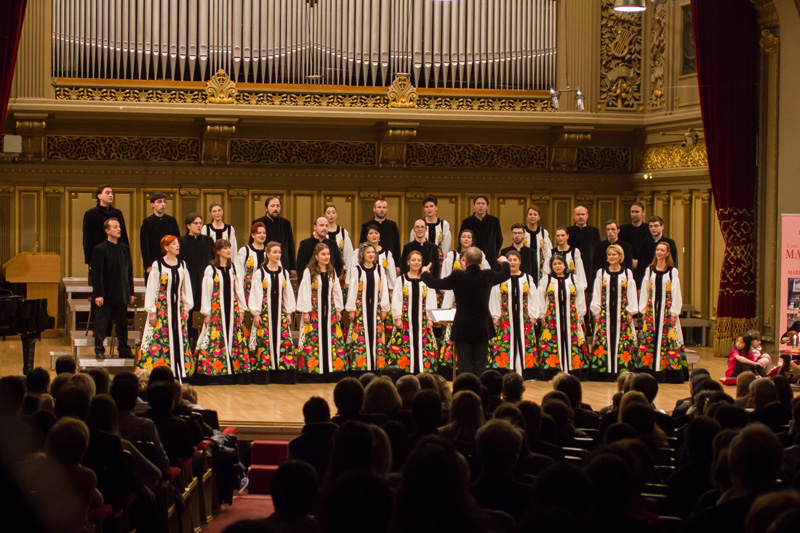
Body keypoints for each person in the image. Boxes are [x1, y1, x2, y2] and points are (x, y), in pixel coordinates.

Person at [422, 247, 510, 376]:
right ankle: (479, 392)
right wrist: (505, 262)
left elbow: (434, 283)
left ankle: (466, 390)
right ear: (481, 260)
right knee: (480, 364)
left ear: (466, 261)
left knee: (464, 364)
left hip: (463, 326)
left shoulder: (458, 275)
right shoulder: (487, 275)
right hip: (482, 326)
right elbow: (505, 274)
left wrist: (425, 273)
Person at [137, 235, 194, 381]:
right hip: (162, 309)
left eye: (177, 244)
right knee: (160, 339)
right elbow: (152, 288)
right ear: (166, 247)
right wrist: (151, 311)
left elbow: (186, 287)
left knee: (179, 338)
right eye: (173, 244)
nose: (177, 246)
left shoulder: (182, 264)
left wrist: (186, 307)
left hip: (178, 309)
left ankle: (179, 371)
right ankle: (160, 371)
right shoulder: (158, 265)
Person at [195, 239, 250, 382]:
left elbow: (238, 289)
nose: (228, 250)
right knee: (215, 338)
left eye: (229, 248)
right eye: (225, 248)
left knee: (234, 337)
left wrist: (242, 309)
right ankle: (215, 371)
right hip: (216, 310)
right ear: (218, 251)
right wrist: (207, 312)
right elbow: (206, 291)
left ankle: (233, 370)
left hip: (232, 309)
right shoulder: (210, 269)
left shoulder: (234, 268)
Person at [637, 241, 687, 383]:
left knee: (668, 339)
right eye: (657, 250)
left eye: (662, 250)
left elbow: (676, 292)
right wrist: (644, 310)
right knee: (650, 338)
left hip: (666, 310)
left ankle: (668, 372)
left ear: (667, 253)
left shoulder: (672, 271)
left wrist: (674, 313)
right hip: (652, 310)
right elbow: (645, 290)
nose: (659, 252)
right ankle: (649, 370)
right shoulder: (649, 270)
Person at [296, 242, 347, 381]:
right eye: (323, 254)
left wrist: (338, 309)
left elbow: (336, 291)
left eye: (328, 254)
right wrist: (305, 311)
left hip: (329, 313)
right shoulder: (309, 272)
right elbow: (304, 291)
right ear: (316, 256)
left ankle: (329, 370)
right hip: (314, 312)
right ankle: (312, 372)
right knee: (312, 339)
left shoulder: (331, 271)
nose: (326, 257)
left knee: (331, 340)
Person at [249, 241, 297, 384]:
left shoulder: (284, 272)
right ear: (268, 254)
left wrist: (288, 312)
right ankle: (265, 374)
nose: (277, 255)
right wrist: (256, 313)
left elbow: (287, 293)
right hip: (265, 313)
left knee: (282, 342)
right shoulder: (260, 273)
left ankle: (281, 373)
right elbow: (256, 293)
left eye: (279, 252)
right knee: (265, 342)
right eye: (274, 252)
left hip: (280, 314)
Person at [589, 244, 639, 380]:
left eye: (614, 254)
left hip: (621, 314)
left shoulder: (627, 273)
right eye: (609, 254)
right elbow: (597, 291)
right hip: (605, 313)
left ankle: (621, 370)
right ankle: (603, 371)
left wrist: (630, 311)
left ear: (620, 256)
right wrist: (597, 311)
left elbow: (631, 293)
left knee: (623, 340)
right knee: (603, 340)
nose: (611, 257)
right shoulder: (601, 273)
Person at [489, 250, 539, 379]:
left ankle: (525, 371)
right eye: (509, 260)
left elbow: (533, 297)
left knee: (524, 342)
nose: (512, 262)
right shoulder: (500, 278)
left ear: (520, 262)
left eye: (515, 260)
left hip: (524, 317)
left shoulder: (527, 278)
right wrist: (495, 315)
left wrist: (533, 315)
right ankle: (505, 371)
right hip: (505, 318)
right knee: (505, 342)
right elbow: (495, 297)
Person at [537, 253, 588, 380]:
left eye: (560, 263)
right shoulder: (546, 280)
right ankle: (553, 372)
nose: (557, 266)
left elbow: (580, 297)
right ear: (551, 266)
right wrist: (542, 315)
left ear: (564, 264)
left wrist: (580, 314)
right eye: (554, 264)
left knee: (573, 343)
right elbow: (540, 298)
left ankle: (573, 371)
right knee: (552, 343)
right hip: (552, 318)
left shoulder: (574, 279)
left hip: (571, 317)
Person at [91, 218, 135, 360]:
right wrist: (98, 294)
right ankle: (99, 349)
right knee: (102, 324)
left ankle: (123, 348)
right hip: (106, 293)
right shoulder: (100, 249)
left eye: (119, 227)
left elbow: (129, 272)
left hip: (122, 293)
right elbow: (97, 274)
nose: (119, 229)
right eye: (115, 227)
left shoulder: (124, 248)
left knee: (122, 324)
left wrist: (131, 292)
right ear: (107, 231)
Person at [389, 250, 439, 374]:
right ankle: (406, 371)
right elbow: (397, 299)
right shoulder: (401, 280)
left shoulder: (426, 280)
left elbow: (431, 299)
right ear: (408, 262)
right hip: (406, 321)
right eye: (413, 260)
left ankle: (423, 371)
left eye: (418, 260)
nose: (416, 262)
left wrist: (430, 318)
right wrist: (398, 317)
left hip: (422, 321)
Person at [345, 243, 390, 373]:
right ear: (363, 254)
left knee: (377, 336)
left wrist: (384, 308)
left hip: (376, 309)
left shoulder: (380, 269)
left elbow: (384, 289)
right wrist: (351, 308)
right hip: (361, 309)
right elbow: (353, 290)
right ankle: (361, 366)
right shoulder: (357, 270)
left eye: (373, 252)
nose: (371, 255)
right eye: (368, 252)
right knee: (360, 336)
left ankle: (376, 366)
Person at [178, 213, 215, 340]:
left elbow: (213, 260)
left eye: (200, 223)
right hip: (189, 283)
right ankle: (188, 341)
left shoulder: (208, 240)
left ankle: (203, 340)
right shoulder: (181, 242)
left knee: (203, 311)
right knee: (189, 312)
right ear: (188, 226)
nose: (199, 226)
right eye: (196, 223)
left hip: (204, 282)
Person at [82, 184, 129, 276]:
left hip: (117, 255)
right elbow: (87, 239)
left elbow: (123, 236)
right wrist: (90, 261)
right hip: (99, 256)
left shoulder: (117, 213)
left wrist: (126, 257)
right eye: (107, 193)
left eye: (112, 193)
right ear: (99, 196)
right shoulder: (91, 214)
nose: (111, 195)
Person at [139, 191, 180, 281]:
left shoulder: (171, 221)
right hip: (154, 260)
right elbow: (144, 245)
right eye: (159, 202)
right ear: (152, 204)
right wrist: (148, 265)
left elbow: (177, 240)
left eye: (164, 202)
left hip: (170, 259)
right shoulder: (147, 222)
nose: (163, 204)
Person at [251, 195, 296, 276]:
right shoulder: (258, 222)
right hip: (263, 261)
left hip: (283, 262)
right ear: (266, 208)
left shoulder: (286, 223)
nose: (275, 208)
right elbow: (252, 243)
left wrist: (293, 267)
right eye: (272, 206)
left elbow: (290, 245)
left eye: (278, 206)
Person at [410, 194, 452, 273]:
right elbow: (413, 244)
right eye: (426, 207)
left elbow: (446, 245)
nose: (429, 209)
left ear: (436, 208)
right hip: (420, 261)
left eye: (431, 206)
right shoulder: (419, 225)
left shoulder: (444, 225)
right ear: (424, 209)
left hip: (438, 261)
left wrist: (440, 259)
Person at [459, 195, 503, 268]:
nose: (480, 206)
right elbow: (461, 238)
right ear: (474, 206)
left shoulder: (494, 221)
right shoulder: (467, 222)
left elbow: (499, 239)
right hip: (472, 256)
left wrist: (494, 253)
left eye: (483, 204)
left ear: (487, 206)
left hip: (490, 257)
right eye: (478, 203)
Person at [296, 216, 344, 283]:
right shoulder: (305, 244)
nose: (324, 228)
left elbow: (339, 265)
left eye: (326, 226)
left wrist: (332, 279)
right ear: (315, 227)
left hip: (329, 282)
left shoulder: (333, 244)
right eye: (321, 225)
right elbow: (300, 268)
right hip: (310, 283)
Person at [358, 198, 401, 270]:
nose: (382, 210)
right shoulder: (366, 226)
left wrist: (397, 265)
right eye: (379, 207)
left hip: (388, 261)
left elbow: (397, 247)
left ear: (387, 209)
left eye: (384, 207)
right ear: (374, 209)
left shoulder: (393, 225)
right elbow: (362, 244)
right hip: (369, 261)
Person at [637, 215, 679, 284]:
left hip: (666, 277)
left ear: (662, 226)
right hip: (649, 277)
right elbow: (641, 265)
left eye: (656, 226)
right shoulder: (645, 243)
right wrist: (639, 285)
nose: (653, 228)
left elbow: (674, 262)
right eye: (651, 226)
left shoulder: (670, 242)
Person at [566, 205, 601, 288]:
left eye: (583, 214)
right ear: (574, 216)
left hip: (590, 265)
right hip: (572, 264)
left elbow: (597, 250)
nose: (580, 217)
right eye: (578, 214)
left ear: (587, 216)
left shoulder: (594, 231)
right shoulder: (568, 231)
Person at [325, 203, 354, 301]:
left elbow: (348, 252)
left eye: (333, 212)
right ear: (325, 215)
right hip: (325, 267)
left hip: (340, 270)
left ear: (336, 215)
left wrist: (347, 270)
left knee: (340, 297)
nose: (331, 215)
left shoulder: (343, 232)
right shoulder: (321, 232)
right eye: (328, 213)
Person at [238, 221, 267, 302]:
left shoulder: (269, 251)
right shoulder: (245, 251)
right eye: (259, 233)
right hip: (249, 292)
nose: (262, 235)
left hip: (266, 292)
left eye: (264, 233)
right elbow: (239, 273)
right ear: (253, 235)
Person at [619, 202, 649, 276]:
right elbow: (620, 247)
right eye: (632, 212)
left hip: (645, 266)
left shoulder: (649, 229)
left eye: (637, 212)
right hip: (626, 265)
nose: (634, 214)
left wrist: (640, 261)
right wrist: (631, 260)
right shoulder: (622, 229)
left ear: (643, 212)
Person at [524, 205, 552, 284]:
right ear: (527, 216)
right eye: (530, 214)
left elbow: (548, 251)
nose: (532, 217)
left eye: (535, 214)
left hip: (539, 265)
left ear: (539, 217)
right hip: (525, 263)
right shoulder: (522, 231)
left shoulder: (543, 232)